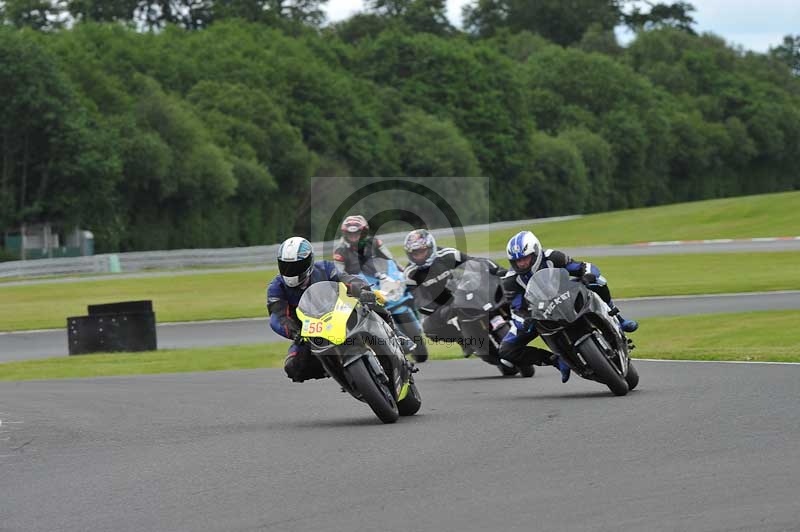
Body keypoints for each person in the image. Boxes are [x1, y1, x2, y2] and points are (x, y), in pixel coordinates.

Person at [499, 230, 639, 383]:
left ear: (537, 252)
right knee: (506, 350)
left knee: (599, 281)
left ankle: (618, 318)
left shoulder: (553, 257)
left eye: (525, 258)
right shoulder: (510, 280)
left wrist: (588, 275)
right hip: (540, 314)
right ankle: (556, 360)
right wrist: (525, 319)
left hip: (567, 296)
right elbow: (517, 308)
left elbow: (583, 266)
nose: (522, 263)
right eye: (518, 261)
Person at [267, 236, 413, 382]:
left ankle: (396, 334)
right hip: (308, 332)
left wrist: (362, 290)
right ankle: (339, 372)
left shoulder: (324, 268)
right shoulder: (276, 287)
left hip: (341, 313)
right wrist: (296, 333)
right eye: (285, 265)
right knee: (292, 368)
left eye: (297, 265)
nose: (291, 271)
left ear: (309, 262)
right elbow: (278, 316)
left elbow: (346, 279)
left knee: (371, 299)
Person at [402, 229, 505, 353]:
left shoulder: (448, 254)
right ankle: (462, 340)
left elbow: (474, 262)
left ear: (430, 247)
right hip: (440, 304)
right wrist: (438, 309)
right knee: (429, 329)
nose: (418, 256)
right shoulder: (410, 274)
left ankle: (506, 313)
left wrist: (498, 270)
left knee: (496, 288)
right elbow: (419, 300)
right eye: (415, 253)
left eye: (421, 251)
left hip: (463, 290)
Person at [333, 215, 398, 277]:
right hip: (355, 284)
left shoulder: (375, 242)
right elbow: (339, 273)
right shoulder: (340, 251)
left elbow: (391, 260)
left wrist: (401, 271)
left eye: (357, 233)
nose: (353, 237)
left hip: (380, 277)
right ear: (345, 234)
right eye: (350, 234)